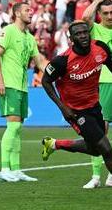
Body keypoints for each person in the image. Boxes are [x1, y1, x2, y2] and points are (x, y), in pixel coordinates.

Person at [41, 21, 112, 187]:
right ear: (71, 38)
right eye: (78, 34)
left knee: (96, 150)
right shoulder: (62, 61)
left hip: (95, 105)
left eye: (85, 32)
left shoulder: (100, 48)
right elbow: (45, 81)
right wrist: (62, 107)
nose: (83, 36)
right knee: (106, 149)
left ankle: (54, 144)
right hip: (76, 111)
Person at [0, 2, 43, 182]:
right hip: (9, 84)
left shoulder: (30, 38)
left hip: (23, 86)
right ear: (16, 13)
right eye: (27, 10)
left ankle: (16, 169)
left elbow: (39, 62)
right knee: (13, 126)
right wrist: (0, 80)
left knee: (18, 128)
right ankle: (4, 168)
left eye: (31, 10)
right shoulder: (8, 31)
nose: (31, 13)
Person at [81, 0, 112, 188]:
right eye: (106, 13)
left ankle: (111, 174)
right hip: (101, 83)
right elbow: (84, 18)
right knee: (99, 131)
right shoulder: (95, 29)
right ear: (99, 14)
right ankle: (95, 176)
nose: (110, 16)